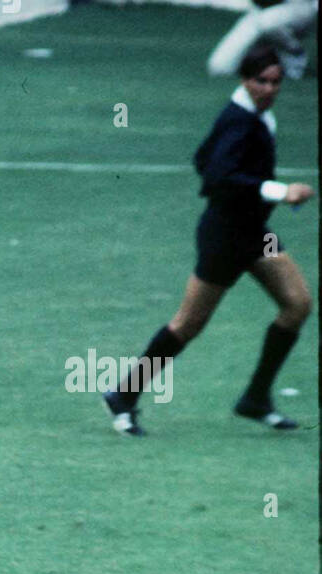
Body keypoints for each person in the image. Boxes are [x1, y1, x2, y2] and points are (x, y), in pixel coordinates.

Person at [104, 47, 313, 436]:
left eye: (276, 81)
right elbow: (214, 177)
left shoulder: (255, 116)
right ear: (244, 80)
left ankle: (256, 398)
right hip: (225, 239)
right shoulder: (238, 120)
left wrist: (260, 194)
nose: (269, 89)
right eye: (261, 81)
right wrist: (278, 190)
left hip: (257, 235)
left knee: (298, 304)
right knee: (188, 324)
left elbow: (202, 158)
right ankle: (124, 396)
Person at [208, 0, 316, 81]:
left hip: (299, 7)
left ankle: (294, 53)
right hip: (261, 10)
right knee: (219, 67)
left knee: (267, 23)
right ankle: (269, 59)